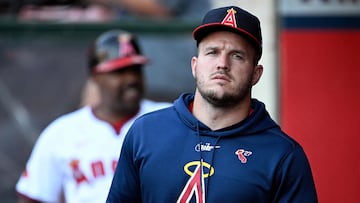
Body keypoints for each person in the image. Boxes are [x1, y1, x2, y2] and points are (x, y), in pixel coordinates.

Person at [106, 6, 318, 202]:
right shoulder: (145, 133)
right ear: (195, 66)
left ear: (256, 73)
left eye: (237, 55)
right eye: (212, 52)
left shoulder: (282, 155)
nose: (222, 64)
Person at [15, 29, 171, 203]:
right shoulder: (61, 133)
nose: (131, 79)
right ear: (96, 77)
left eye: (136, 70)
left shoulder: (170, 119)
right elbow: (33, 198)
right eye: (120, 72)